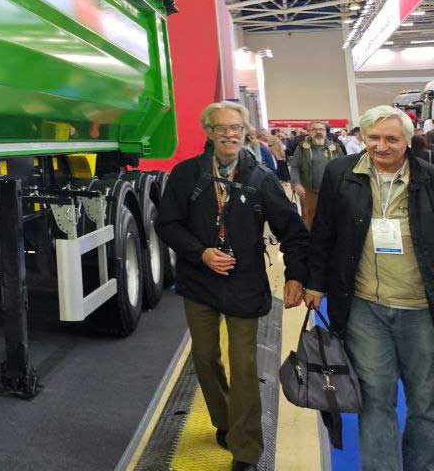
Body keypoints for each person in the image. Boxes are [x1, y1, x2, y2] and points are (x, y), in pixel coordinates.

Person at [156, 101, 308, 471]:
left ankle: (246, 450)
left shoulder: (261, 179)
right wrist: (200, 253)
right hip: (199, 281)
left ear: (245, 132)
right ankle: (224, 420)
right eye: (220, 128)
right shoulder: (186, 174)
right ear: (208, 132)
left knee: (244, 367)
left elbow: (293, 231)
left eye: (235, 128)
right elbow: (167, 224)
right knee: (205, 358)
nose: (229, 135)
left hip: (245, 283)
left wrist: (296, 276)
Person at [306, 105, 434, 471]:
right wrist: (315, 283)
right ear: (362, 137)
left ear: (408, 141)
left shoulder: (428, 178)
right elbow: (324, 230)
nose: (381, 146)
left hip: (420, 307)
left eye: (391, 139)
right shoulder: (340, 173)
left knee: (425, 402)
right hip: (364, 306)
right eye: (373, 137)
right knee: (375, 398)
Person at [290, 121, 347, 230]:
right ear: (309, 132)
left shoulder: (335, 147)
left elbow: (343, 167)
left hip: (332, 191)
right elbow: (295, 167)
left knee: (333, 216)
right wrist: (296, 184)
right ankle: (311, 238)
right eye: (314, 129)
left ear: (325, 132)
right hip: (309, 191)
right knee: (310, 217)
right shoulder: (302, 148)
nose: (318, 132)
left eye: (321, 129)